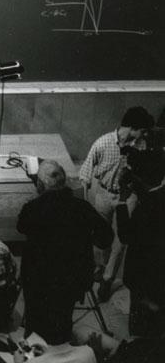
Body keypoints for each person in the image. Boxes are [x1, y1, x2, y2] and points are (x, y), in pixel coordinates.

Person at [17, 160, 113, 345]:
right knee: (62, 324)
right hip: (72, 281)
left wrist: (38, 195)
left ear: (41, 184)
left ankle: (35, 354)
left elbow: (22, 227)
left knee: (35, 327)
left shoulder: (33, 208)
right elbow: (105, 238)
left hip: (38, 282)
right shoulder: (82, 207)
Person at [79, 106, 154, 301]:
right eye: (143, 130)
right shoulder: (103, 143)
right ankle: (100, 266)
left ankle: (107, 278)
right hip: (104, 194)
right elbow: (86, 172)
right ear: (133, 127)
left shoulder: (140, 144)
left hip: (127, 196)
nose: (144, 135)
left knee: (121, 240)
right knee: (100, 237)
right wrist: (86, 203)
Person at [114, 132, 165, 336]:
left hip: (144, 274)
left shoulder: (148, 206)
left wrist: (121, 201)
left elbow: (126, 236)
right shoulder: (155, 197)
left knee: (141, 324)